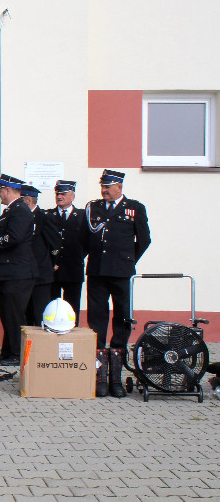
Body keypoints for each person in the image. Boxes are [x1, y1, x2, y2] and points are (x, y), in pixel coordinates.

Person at [82, 169, 150, 397]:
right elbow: (84, 238)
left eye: (108, 186)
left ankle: (116, 378)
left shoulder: (134, 208)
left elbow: (144, 239)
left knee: (122, 318)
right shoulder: (93, 207)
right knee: (97, 319)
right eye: (102, 186)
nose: (104, 190)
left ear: (119, 187)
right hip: (97, 272)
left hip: (121, 273)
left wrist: (127, 260)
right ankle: (100, 377)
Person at [0, 174, 37, 366]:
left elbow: (13, 237)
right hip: (8, 272)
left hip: (17, 273)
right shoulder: (11, 210)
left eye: (0, 191)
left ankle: (17, 354)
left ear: (8, 190)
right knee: (6, 313)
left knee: (14, 315)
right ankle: (7, 351)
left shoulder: (20, 210)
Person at [22, 185, 61, 326]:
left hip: (41, 273)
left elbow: (55, 244)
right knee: (26, 313)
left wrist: (51, 263)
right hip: (25, 273)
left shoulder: (43, 217)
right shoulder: (21, 217)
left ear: (28, 200)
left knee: (40, 312)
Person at [49, 180, 87, 323]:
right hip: (53, 269)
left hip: (73, 268)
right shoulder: (48, 215)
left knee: (72, 306)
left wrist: (79, 256)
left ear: (72, 196)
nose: (59, 197)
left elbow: (88, 242)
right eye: (57, 194)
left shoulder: (82, 216)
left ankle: (71, 330)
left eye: (63, 194)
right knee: (52, 306)